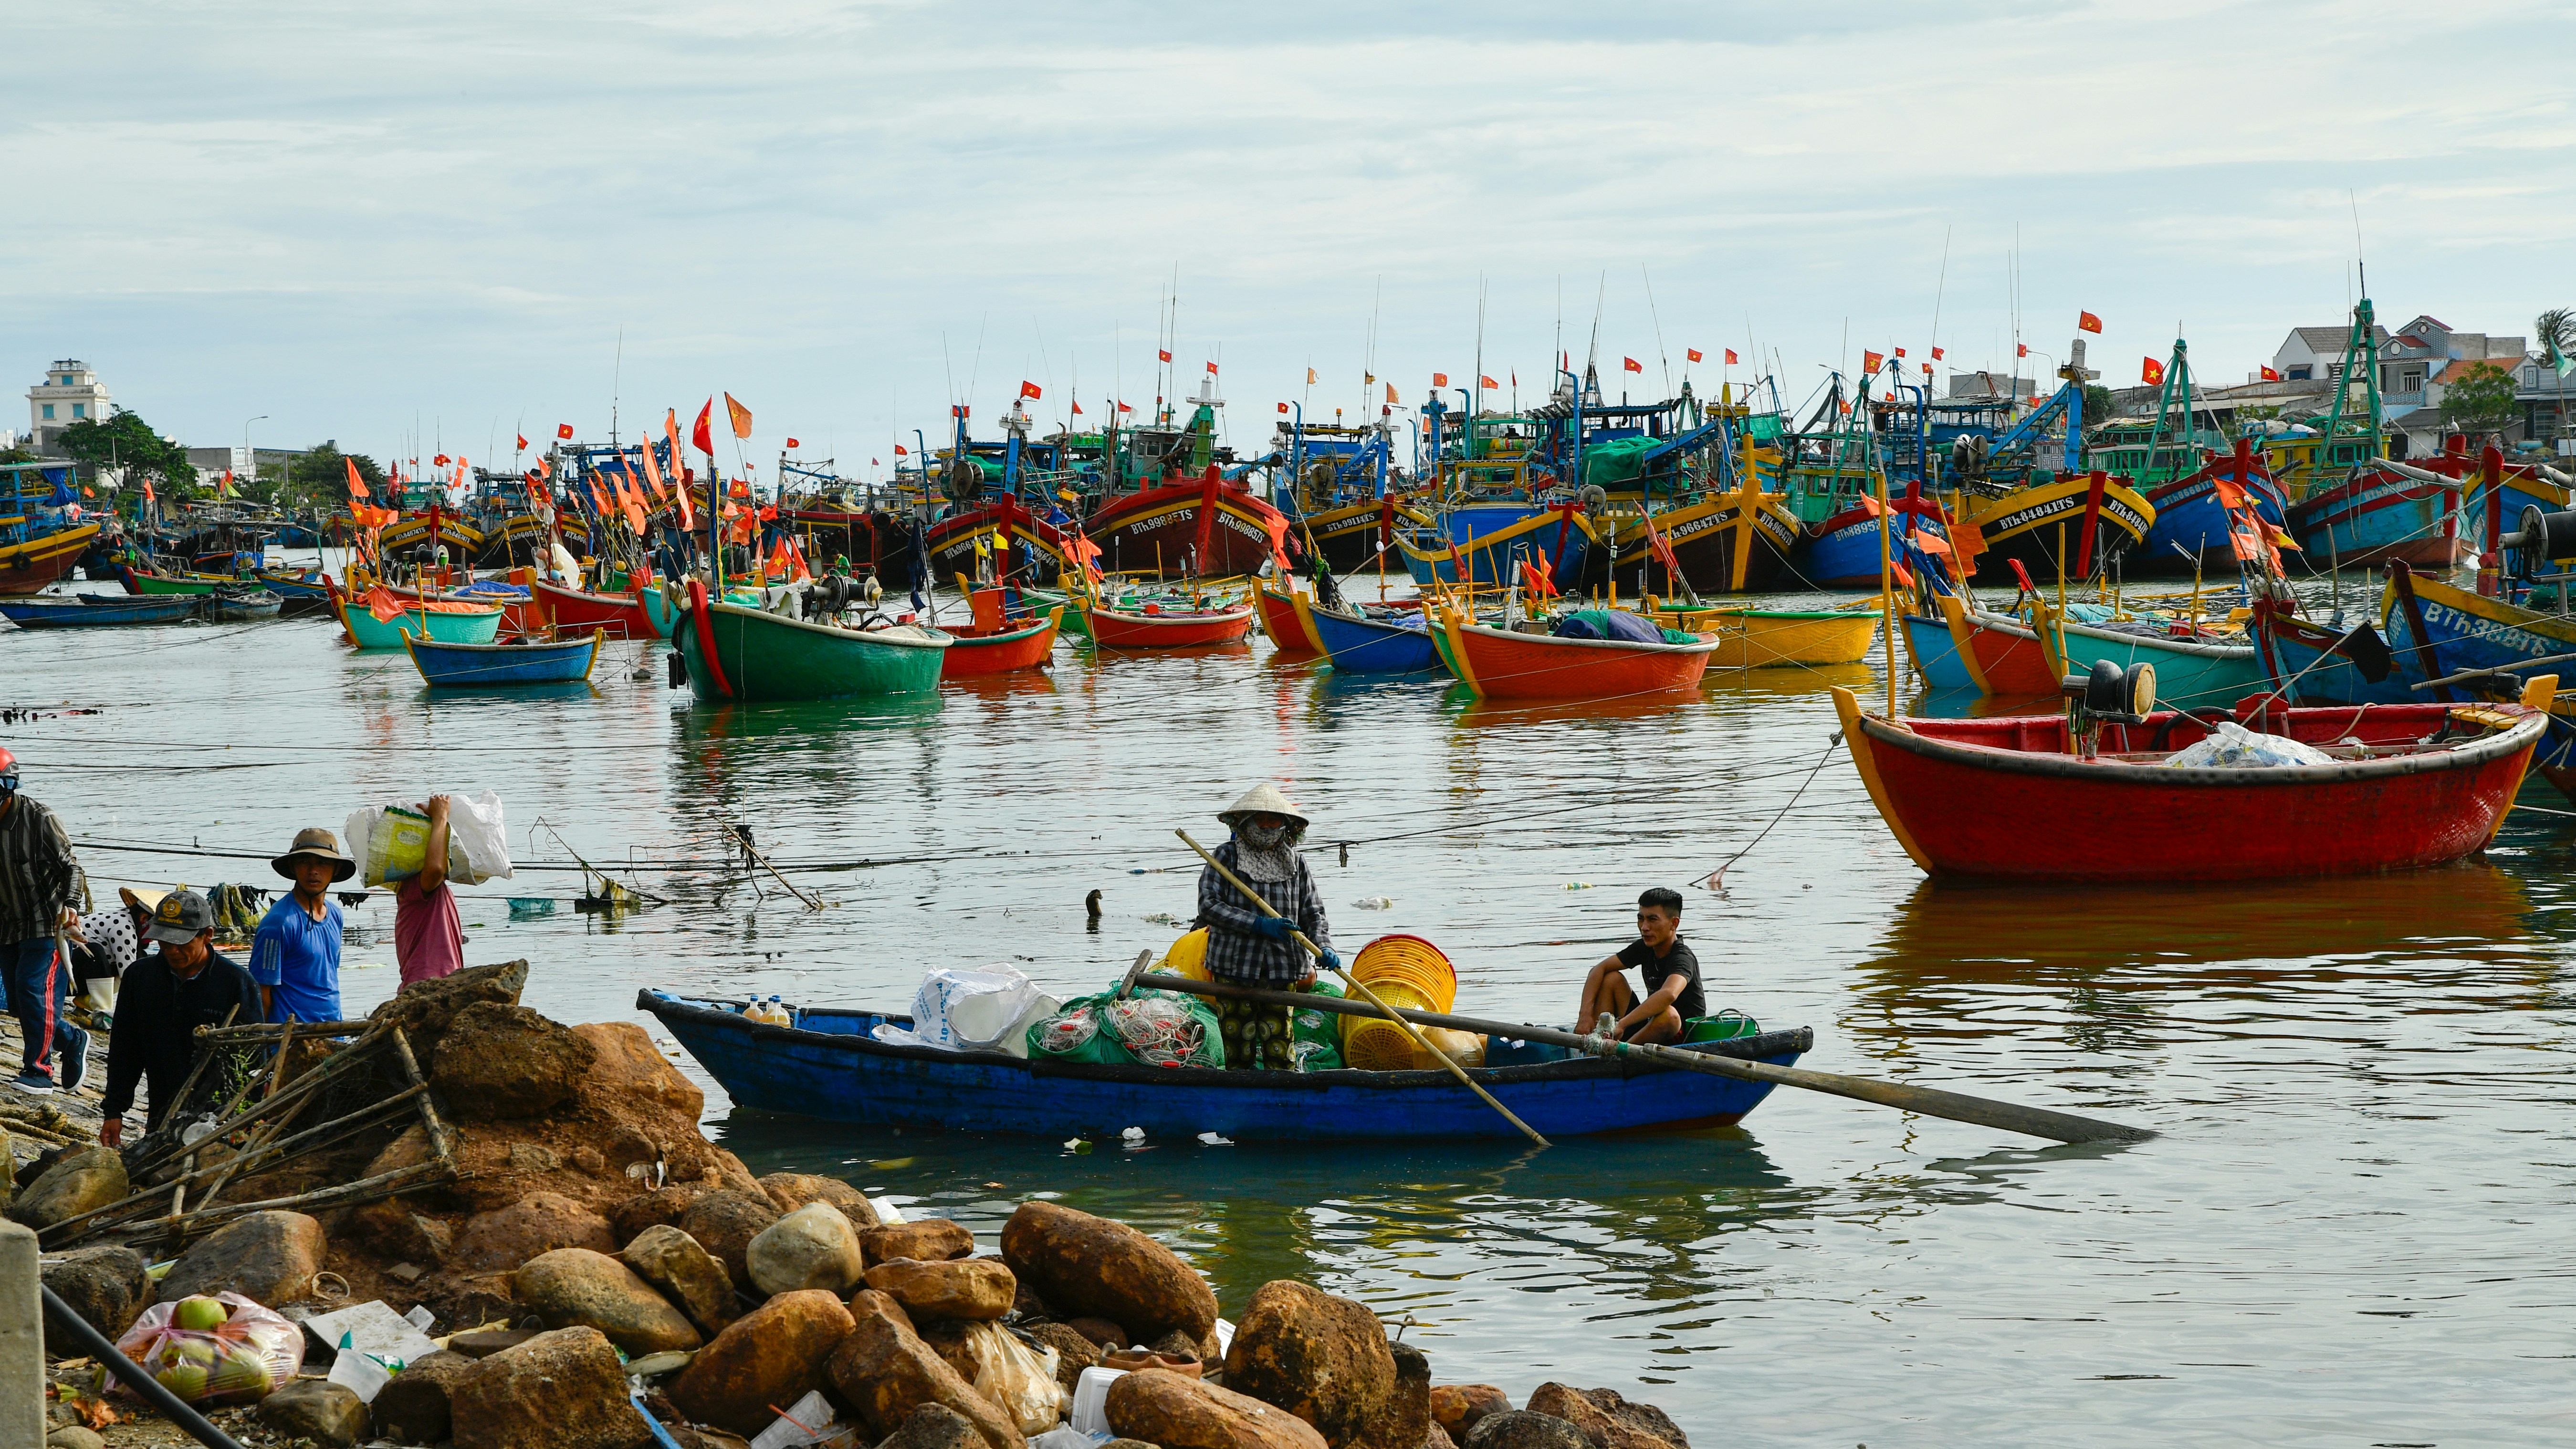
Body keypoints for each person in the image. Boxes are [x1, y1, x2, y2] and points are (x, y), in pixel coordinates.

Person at [99, 890, 259, 1149]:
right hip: (162, 1107)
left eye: (182, 944)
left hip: (219, 1113)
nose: (172, 951)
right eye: (164, 942)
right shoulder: (140, 977)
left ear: (207, 935)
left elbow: (252, 1061)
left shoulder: (237, 984)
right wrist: (114, 1111)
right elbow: (125, 1049)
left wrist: (244, 1119)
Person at [1193, 783, 1336, 1071]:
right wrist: (1257, 924)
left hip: (1283, 969)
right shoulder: (1225, 857)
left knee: (1280, 1047)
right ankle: (1239, 1102)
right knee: (1238, 1048)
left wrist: (1323, 946)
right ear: (1246, 822)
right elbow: (1208, 906)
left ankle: (1282, 1104)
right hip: (1234, 968)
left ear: (1286, 825)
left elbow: (1313, 911)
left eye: (1275, 820)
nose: (1268, 826)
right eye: (1262, 819)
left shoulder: (1295, 862)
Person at [0, 746, 89, 1095]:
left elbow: (73, 867)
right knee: (21, 1004)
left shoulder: (40, 818)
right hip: (8, 925)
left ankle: (39, 1070)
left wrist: (71, 905)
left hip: (47, 922)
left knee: (32, 990)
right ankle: (71, 1037)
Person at [1575, 887, 1704, 1045]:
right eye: (1641, 919)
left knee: (1669, 1015)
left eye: (1652, 920)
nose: (1644, 927)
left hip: (1679, 1035)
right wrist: (1585, 1015)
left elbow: (1669, 994)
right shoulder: (1645, 947)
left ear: (1673, 923)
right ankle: (1597, 1047)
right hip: (1650, 1028)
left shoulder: (1682, 958)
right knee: (1611, 978)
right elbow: (1599, 969)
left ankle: (1619, 1054)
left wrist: (1622, 1024)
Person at [250, 828, 352, 1024]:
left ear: (336, 869)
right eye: (304, 862)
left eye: (323, 863)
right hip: (293, 1039)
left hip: (332, 1031)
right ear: (293, 868)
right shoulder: (279, 923)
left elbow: (327, 978)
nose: (313, 871)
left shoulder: (336, 915)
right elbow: (261, 994)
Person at [394, 796, 465, 988]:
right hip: (426, 985)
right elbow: (435, 869)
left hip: (442, 984)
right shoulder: (415, 887)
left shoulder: (436, 890)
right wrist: (440, 818)